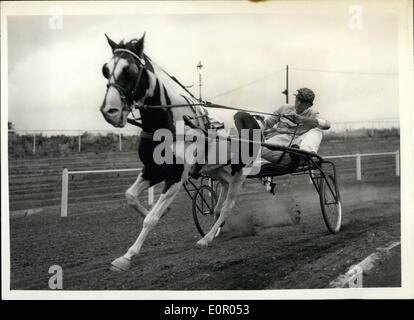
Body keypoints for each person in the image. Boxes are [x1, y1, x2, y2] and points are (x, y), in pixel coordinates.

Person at [255, 87, 330, 166]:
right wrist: (258, 122)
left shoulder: (313, 114)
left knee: (317, 130)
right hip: (277, 146)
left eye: (303, 102)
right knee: (254, 146)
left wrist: (303, 119)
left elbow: (327, 125)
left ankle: (304, 155)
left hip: (297, 148)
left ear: (309, 105)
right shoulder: (284, 108)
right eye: (298, 99)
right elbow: (267, 123)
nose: (298, 103)